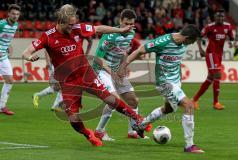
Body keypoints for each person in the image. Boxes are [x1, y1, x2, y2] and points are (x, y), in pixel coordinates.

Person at [22, 4, 147, 147]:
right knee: (73, 119)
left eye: (73, 24)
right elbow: (26, 52)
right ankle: (89, 134)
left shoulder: (76, 28)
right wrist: (29, 58)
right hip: (68, 82)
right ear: (60, 22)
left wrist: (121, 29)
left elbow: (99, 29)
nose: (72, 28)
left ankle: (137, 119)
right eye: (69, 25)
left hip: (85, 73)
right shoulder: (48, 37)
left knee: (110, 99)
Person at [119, 24, 204, 153]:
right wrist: (123, 66)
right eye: (192, 41)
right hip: (165, 83)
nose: (192, 44)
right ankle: (189, 145)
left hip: (176, 82)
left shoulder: (182, 43)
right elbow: (140, 50)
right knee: (189, 105)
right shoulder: (163, 42)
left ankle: (140, 126)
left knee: (168, 109)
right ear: (187, 38)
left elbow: (175, 61)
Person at [93, 9, 150, 141]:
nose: (128, 27)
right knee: (114, 101)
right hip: (102, 70)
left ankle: (133, 131)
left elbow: (123, 53)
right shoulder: (110, 36)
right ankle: (99, 131)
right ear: (120, 21)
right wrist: (112, 73)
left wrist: (123, 67)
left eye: (131, 24)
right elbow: (97, 59)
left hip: (116, 70)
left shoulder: (131, 34)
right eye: (126, 23)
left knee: (133, 101)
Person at [193, 9, 234, 110]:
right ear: (214, 17)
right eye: (218, 16)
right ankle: (216, 103)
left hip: (219, 55)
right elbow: (199, 36)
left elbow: (232, 37)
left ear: (224, 17)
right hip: (211, 54)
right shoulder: (209, 27)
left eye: (221, 16)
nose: (220, 18)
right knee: (218, 75)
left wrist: (232, 43)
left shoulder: (228, 26)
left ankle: (194, 100)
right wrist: (200, 49)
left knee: (210, 78)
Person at [0, 4, 21, 115]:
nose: (15, 16)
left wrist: (8, 48)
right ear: (8, 14)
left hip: (3, 57)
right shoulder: (1, 24)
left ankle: (2, 106)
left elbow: (5, 39)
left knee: (10, 81)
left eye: (17, 14)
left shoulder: (16, 25)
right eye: (13, 13)